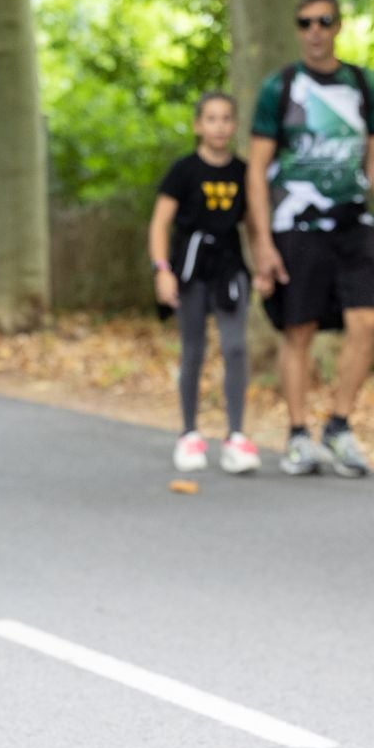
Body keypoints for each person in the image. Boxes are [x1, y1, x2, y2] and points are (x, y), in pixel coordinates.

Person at [245, 0, 374, 478]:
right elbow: (256, 168)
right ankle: (297, 433)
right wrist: (263, 242)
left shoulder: (361, 84)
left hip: (353, 221)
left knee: (366, 322)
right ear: (297, 29)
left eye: (324, 21)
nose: (315, 31)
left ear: (338, 26)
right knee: (300, 329)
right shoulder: (281, 87)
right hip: (297, 223)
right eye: (305, 23)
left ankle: (339, 424)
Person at [149, 93, 260, 475]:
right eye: (211, 119)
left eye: (226, 118)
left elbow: (255, 226)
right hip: (190, 270)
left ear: (234, 125)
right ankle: (189, 433)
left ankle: (236, 436)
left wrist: (264, 266)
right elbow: (160, 223)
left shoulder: (244, 172)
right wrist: (162, 269)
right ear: (198, 125)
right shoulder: (183, 171)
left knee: (235, 348)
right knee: (193, 350)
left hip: (230, 272)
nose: (219, 126)